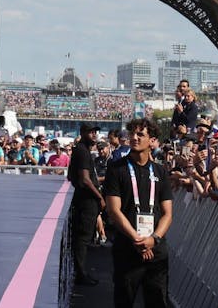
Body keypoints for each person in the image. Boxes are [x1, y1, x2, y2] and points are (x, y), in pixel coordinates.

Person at [101, 117, 173, 308]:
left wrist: (154, 239)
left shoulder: (160, 172)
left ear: (152, 140)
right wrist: (138, 239)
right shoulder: (116, 169)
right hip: (127, 247)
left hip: (156, 251)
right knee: (124, 301)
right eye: (132, 133)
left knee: (158, 302)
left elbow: (167, 213)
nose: (134, 138)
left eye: (140, 134)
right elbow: (113, 210)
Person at [68, 125, 105, 286]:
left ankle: (81, 272)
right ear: (83, 134)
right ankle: (80, 274)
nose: (94, 135)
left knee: (82, 239)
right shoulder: (82, 151)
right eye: (91, 132)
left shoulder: (81, 150)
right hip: (87, 200)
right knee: (82, 239)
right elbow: (84, 179)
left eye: (95, 132)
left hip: (85, 199)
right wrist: (100, 197)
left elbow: (72, 176)